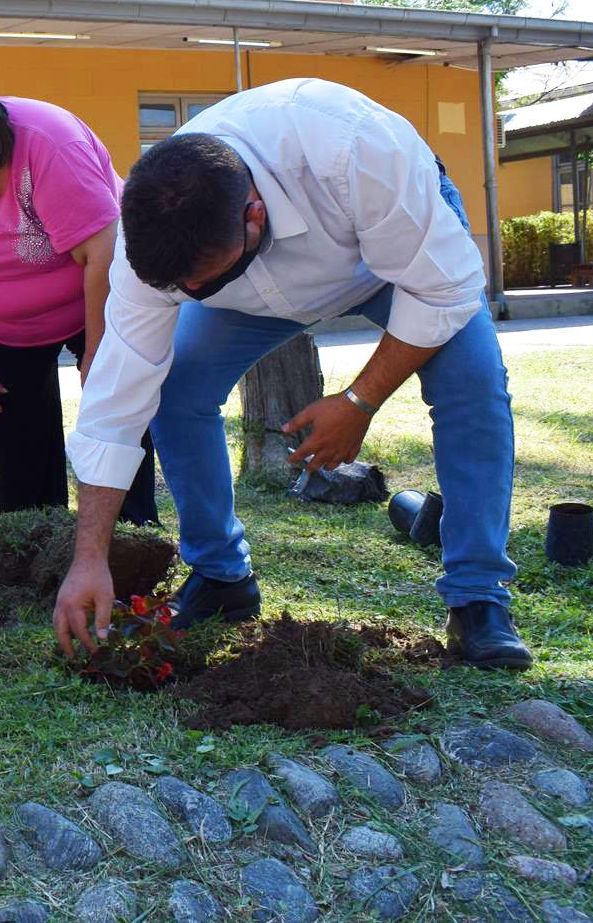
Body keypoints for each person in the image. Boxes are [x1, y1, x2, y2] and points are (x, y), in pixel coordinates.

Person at [53, 78, 532, 672]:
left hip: (392, 258)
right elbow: (117, 401)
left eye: (203, 282)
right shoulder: (148, 241)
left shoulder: (356, 150)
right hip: (252, 292)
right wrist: (89, 557)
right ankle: (222, 575)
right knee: (173, 393)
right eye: (181, 289)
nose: (190, 297)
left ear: (255, 215)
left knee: (474, 391)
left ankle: (478, 597)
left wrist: (359, 401)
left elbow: (444, 291)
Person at [0, 71, 157, 523]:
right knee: (17, 443)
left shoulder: (49, 141)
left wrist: (98, 350)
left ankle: (129, 542)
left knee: (114, 416)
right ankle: (33, 551)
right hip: (2, 329)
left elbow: (102, 252)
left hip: (93, 295)